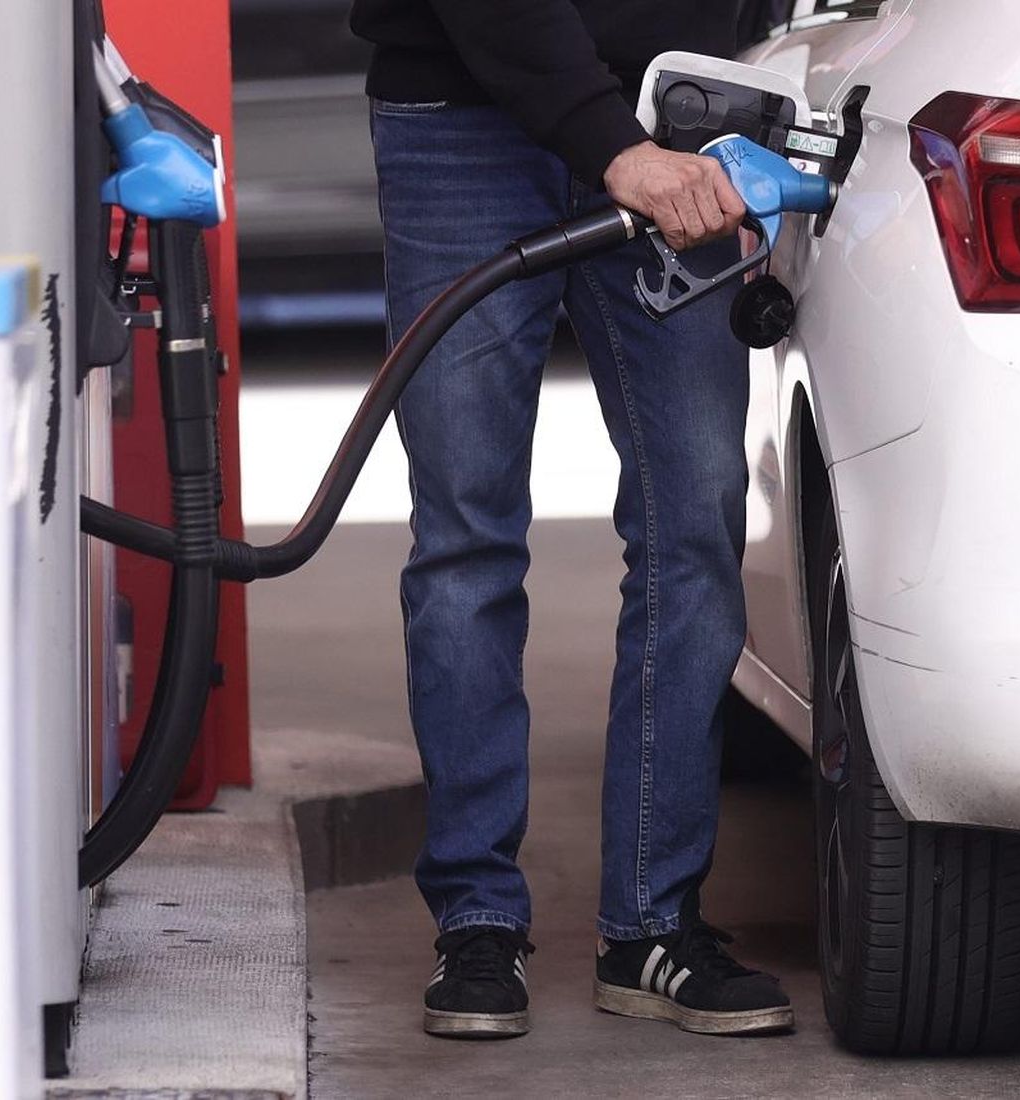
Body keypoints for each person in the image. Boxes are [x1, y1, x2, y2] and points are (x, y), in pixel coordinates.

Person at [349, 0, 794, 1039]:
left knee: (694, 517)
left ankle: (650, 924)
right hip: (459, 122)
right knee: (467, 532)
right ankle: (476, 916)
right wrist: (613, 148)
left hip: (682, 123)